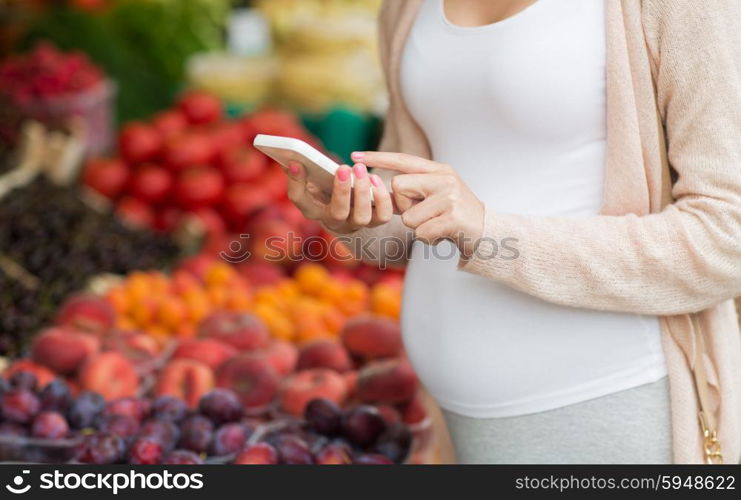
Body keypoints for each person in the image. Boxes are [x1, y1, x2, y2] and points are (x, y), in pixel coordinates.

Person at [285, 0, 741, 464]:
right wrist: (353, 215)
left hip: (608, 399)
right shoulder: (404, 8)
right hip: (456, 414)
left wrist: (491, 232)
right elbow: (410, 221)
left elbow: (728, 236)